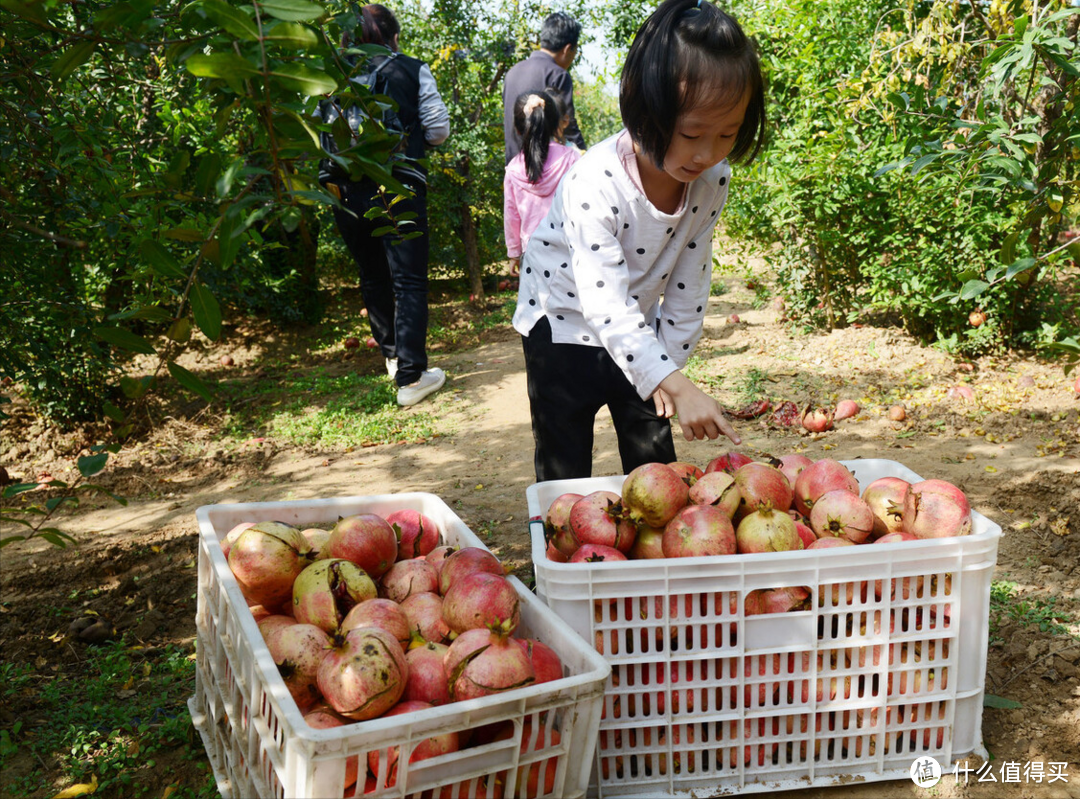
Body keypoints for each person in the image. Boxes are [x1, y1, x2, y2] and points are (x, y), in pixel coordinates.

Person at [512, 0, 767, 481]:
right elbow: (602, 299)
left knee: (656, 468)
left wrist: (670, 375)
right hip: (561, 326)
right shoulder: (596, 182)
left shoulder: (712, 179)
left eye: (727, 134)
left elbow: (691, 282)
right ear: (644, 107)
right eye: (691, 133)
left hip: (639, 330)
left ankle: (661, 558)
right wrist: (674, 382)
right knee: (565, 468)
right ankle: (565, 555)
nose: (707, 154)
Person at [324, 4, 451, 407]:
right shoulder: (411, 69)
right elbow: (437, 130)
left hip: (342, 191)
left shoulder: (330, 78)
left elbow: (319, 132)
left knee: (373, 276)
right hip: (397, 186)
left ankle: (395, 359)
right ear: (393, 37)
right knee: (408, 279)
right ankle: (412, 377)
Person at [503, 89, 582, 277]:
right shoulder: (572, 159)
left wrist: (514, 253)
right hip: (570, 250)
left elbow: (511, 215)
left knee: (537, 304)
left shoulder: (513, 169)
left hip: (533, 253)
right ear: (556, 124)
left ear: (517, 128)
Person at [502, 12, 586, 165]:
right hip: (545, 172)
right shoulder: (558, 74)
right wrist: (585, 155)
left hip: (514, 171)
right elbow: (568, 126)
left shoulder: (512, 73)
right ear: (567, 49)